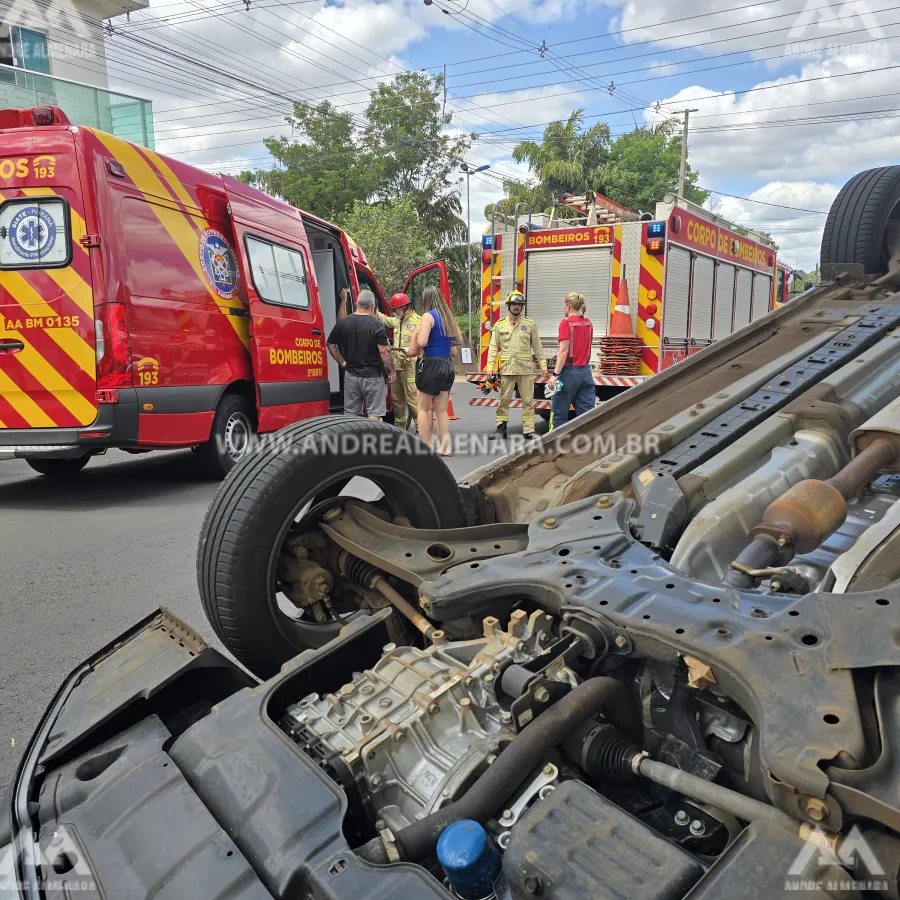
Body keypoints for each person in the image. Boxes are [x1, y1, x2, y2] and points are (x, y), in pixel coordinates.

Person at [486, 290, 547, 440]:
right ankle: (501, 427)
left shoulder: (529, 325)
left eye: (519, 304)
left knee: (527, 401)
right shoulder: (500, 326)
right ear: (508, 306)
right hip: (507, 369)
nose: (516, 307)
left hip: (525, 370)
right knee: (504, 400)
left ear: (522, 307)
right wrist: (490, 366)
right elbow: (493, 347)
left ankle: (528, 430)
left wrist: (543, 363)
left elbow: (537, 346)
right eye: (513, 304)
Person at [407, 284, 460, 455]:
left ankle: (426, 446)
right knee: (441, 409)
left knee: (422, 408)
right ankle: (445, 447)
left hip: (430, 365)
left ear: (425, 300)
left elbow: (422, 342)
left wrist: (418, 334)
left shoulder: (427, 316)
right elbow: (458, 340)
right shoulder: (448, 316)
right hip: (447, 365)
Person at [327, 289, 395, 420]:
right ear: (373, 307)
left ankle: (352, 440)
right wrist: (392, 371)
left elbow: (331, 345)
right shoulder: (377, 325)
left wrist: (342, 362)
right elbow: (384, 352)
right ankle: (369, 440)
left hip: (351, 375)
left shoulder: (343, 323)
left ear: (357, 304)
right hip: (373, 376)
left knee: (350, 414)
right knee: (374, 414)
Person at [548, 292, 595, 430]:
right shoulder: (588, 324)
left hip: (568, 374)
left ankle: (555, 445)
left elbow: (563, 351)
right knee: (588, 415)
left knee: (558, 415)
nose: (563, 309)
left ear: (568, 306)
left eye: (563, 306)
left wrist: (555, 375)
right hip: (586, 373)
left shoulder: (566, 323)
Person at [375, 292, 420, 430]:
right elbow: (383, 319)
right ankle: (400, 428)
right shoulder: (396, 321)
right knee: (396, 400)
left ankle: (421, 427)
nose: (395, 312)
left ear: (404, 308)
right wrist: (374, 309)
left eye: (396, 310)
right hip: (397, 367)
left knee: (412, 399)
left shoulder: (419, 321)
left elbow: (425, 341)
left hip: (410, 366)